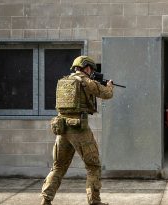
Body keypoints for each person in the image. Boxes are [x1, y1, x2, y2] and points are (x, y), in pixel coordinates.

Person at [41, 56, 114, 205]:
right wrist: (109, 85)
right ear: (86, 67)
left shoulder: (64, 80)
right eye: (91, 69)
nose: (92, 72)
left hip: (62, 128)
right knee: (93, 166)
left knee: (58, 167)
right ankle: (94, 201)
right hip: (78, 128)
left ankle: (46, 200)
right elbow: (107, 94)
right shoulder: (86, 81)